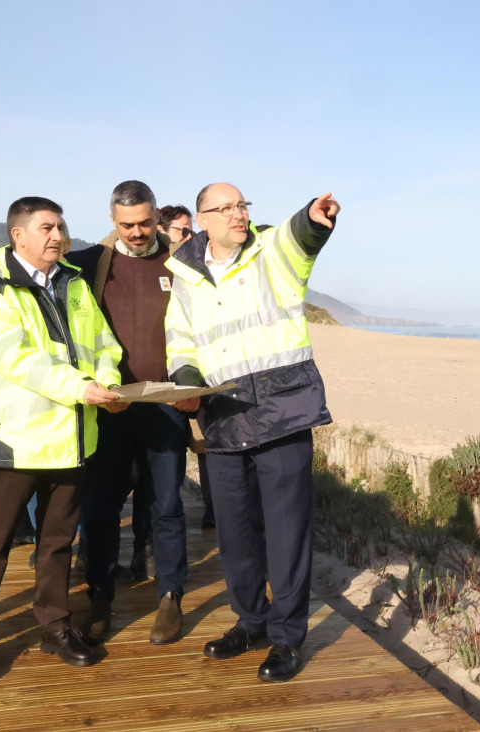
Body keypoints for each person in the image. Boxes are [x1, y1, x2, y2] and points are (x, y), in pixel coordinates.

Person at [165, 183, 339, 683]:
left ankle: (286, 638)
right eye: (226, 209)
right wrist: (185, 382)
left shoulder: (269, 251)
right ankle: (250, 621)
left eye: (242, 205)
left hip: (282, 411)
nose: (238, 215)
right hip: (221, 416)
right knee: (236, 532)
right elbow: (179, 338)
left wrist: (312, 216)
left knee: (287, 533)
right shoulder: (184, 274)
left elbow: (298, 237)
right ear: (203, 220)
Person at [0, 197, 125, 684]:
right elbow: (16, 358)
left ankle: (55, 626)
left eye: (61, 227)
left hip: (73, 438)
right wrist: (80, 388)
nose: (57, 236)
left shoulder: (73, 283)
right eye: (46, 227)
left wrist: (108, 382)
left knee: (57, 543)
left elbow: (105, 343)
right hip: (18, 440)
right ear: (18, 235)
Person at [67, 181, 191, 646]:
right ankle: (99, 594)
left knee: (167, 505)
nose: (136, 233)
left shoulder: (181, 263)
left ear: (156, 216)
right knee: (101, 507)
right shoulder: (90, 263)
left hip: (164, 405)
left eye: (143, 223)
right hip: (112, 407)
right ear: (112, 221)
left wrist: (193, 385)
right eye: (126, 225)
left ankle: (171, 596)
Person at [158, 204, 215, 529]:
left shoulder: (192, 266)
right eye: (183, 230)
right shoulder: (159, 266)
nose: (190, 236)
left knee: (206, 443)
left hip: (194, 370)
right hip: (162, 376)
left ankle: (213, 509)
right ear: (163, 229)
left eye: (192, 230)